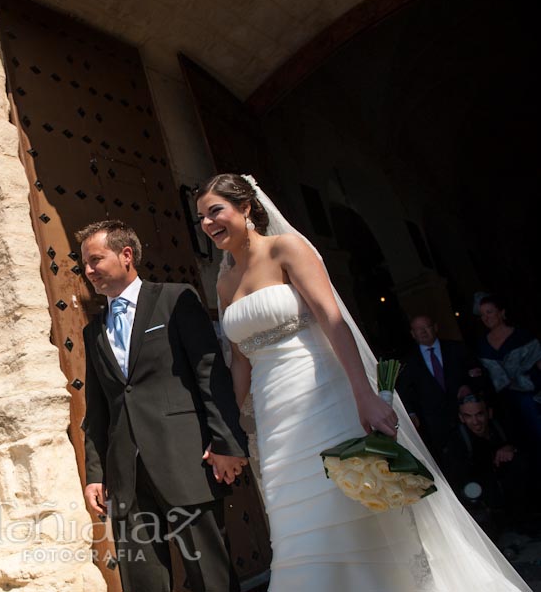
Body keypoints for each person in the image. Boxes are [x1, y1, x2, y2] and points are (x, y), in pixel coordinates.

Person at [196, 173, 529, 591]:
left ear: (245, 207)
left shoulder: (287, 248)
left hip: (321, 396)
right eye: (202, 219)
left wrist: (364, 394)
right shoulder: (225, 282)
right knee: (296, 523)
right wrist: (228, 431)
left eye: (215, 211)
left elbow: (333, 322)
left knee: (348, 515)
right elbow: (240, 363)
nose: (208, 224)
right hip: (272, 416)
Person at [77, 220, 249, 592]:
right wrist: (95, 472)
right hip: (126, 474)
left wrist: (225, 443)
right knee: (143, 581)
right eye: (84, 264)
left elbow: (210, 374)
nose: (88, 271)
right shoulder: (94, 330)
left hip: (186, 461)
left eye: (95, 260)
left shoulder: (175, 299)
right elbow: (98, 407)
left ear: (126, 256)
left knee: (210, 578)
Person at [398, 314, 482, 461]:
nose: (423, 332)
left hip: (468, 419)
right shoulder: (408, 362)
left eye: (426, 327)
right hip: (435, 426)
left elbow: (478, 375)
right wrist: (411, 414)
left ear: (435, 328)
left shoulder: (457, 348)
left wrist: (468, 387)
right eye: (418, 329)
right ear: (413, 334)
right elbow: (404, 391)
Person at [441, 391, 529, 526]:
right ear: (462, 418)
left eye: (479, 414)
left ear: (489, 413)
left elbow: (525, 445)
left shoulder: (502, 427)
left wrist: (510, 448)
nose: (475, 422)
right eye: (468, 416)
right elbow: (459, 482)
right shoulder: (458, 442)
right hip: (480, 498)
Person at [476, 295, 541, 467]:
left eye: (489, 312)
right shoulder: (481, 344)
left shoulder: (522, 336)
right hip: (504, 404)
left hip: (531, 398)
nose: (486, 317)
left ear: (501, 313)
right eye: (482, 314)